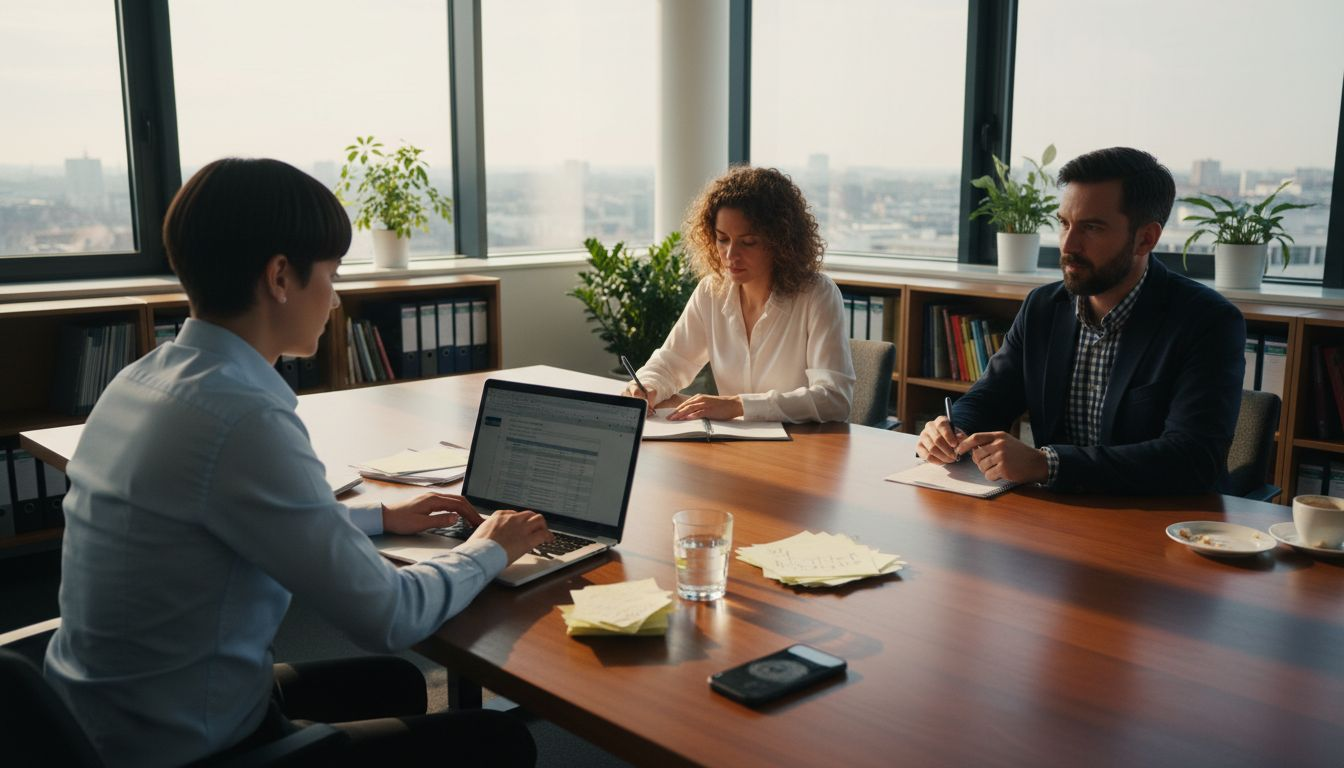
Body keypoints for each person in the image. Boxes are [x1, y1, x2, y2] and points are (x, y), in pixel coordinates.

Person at [44, 158, 550, 767]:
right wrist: (490, 547)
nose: (335, 300)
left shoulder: (144, 378)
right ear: (280, 276)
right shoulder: (243, 417)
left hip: (95, 717)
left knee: (393, 684)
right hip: (183, 747)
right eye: (332, 274)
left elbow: (223, 517)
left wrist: (377, 518)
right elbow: (388, 616)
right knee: (500, 743)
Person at [916, 147, 1245, 494]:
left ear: (1146, 238)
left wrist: (1046, 464)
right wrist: (952, 430)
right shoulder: (1043, 307)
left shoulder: (1208, 321)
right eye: (1063, 223)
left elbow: (1192, 458)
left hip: (1159, 522)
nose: (1068, 245)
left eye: (1091, 228)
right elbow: (990, 397)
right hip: (1059, 517)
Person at [625, 166, 855, 423]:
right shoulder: (712, 292)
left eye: (748, 242)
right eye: (723, 239)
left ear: (780, 242)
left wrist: (738, 405)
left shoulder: (817, 295)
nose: (731, 255)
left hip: (802, 449)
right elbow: (672, 360)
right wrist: (646, 386)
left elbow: (834, 399)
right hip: (734, 447)